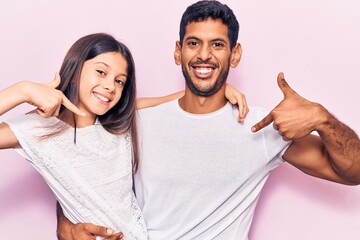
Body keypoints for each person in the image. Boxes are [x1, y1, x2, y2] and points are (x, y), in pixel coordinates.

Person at [55, 0, 360, 240]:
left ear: (234, 54)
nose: (204, 55)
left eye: (217, 44)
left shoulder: (262, 127)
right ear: (178, 51)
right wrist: (66, 226)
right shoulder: (137, 122)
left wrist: (323, 119)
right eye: (193, 43)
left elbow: (353, 172)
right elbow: (78, 176)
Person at [0, 32, 248, 239]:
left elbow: (170, 101)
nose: (110, 86)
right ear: (75, 70)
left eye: (120, 81)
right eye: (101, 72)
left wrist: (218, 89)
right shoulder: (41, 130)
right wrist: (23, 90)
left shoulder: (118, 124)